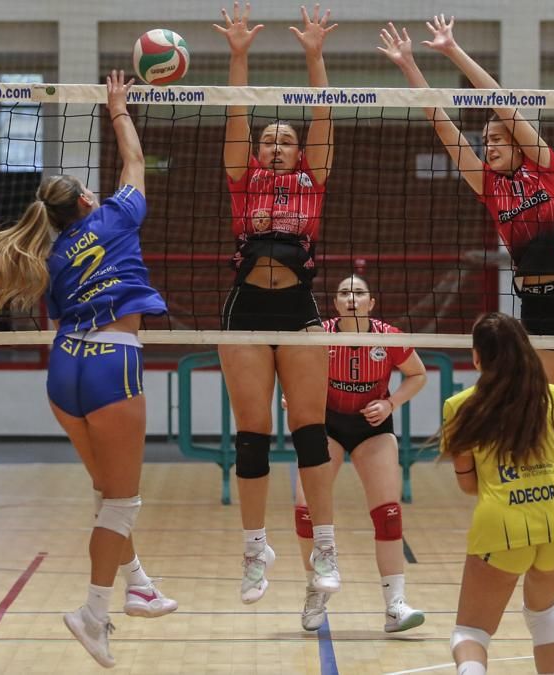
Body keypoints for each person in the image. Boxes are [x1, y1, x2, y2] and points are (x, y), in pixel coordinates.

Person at [379, 17, 554, 593]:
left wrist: (455, 50)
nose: (490, 146)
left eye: (498, 139)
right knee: (545, 429)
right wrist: (411, 67)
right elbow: (441, 124)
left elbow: (502, 101)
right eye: (487, 141)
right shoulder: (488, 187)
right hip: (537, 315)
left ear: (518, 142)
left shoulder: (545, 168)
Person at [0, 71, 176, 668]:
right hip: (113, 364)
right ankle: (93, 610)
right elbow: (134, 162)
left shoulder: (51, 256)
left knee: (110, 494)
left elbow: (57, 323)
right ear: (84, 200)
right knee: (122, 502)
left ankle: (137, 585)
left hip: (66, 370)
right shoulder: (114, 219)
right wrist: (118, 109)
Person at [215, 2, 341, 605]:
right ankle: (253, 548)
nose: (275, 144)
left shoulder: (312, 180)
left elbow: (323, 116)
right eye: (269, 138)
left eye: (284, 140)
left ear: (298, 153)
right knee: (252, 435)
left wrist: (314, 56)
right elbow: (236, 114)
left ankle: (325, 545)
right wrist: (239, 55)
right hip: (245, 310)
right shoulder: (242, 178)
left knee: (310, 432)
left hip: (299, 311)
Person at [440, 312, 554, 675]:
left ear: (476, 358)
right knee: (543, 613)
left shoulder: (460, 406)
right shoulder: (550, 397)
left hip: (501, 528)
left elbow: (468, 484)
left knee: (469, 633)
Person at [292, 274, 428, 633]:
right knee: (305, 511)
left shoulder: (389, 337)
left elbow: (418, 375)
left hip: (372, 429)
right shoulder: (318, 334)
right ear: (335, 303)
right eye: (344, 292)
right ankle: (315, 591)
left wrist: (389, 403)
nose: (351, 297)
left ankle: (395, 605)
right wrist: (298, 395)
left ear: (371, 302)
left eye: (359, 292)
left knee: (389, 514)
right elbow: (291, 372)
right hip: (328, 425)